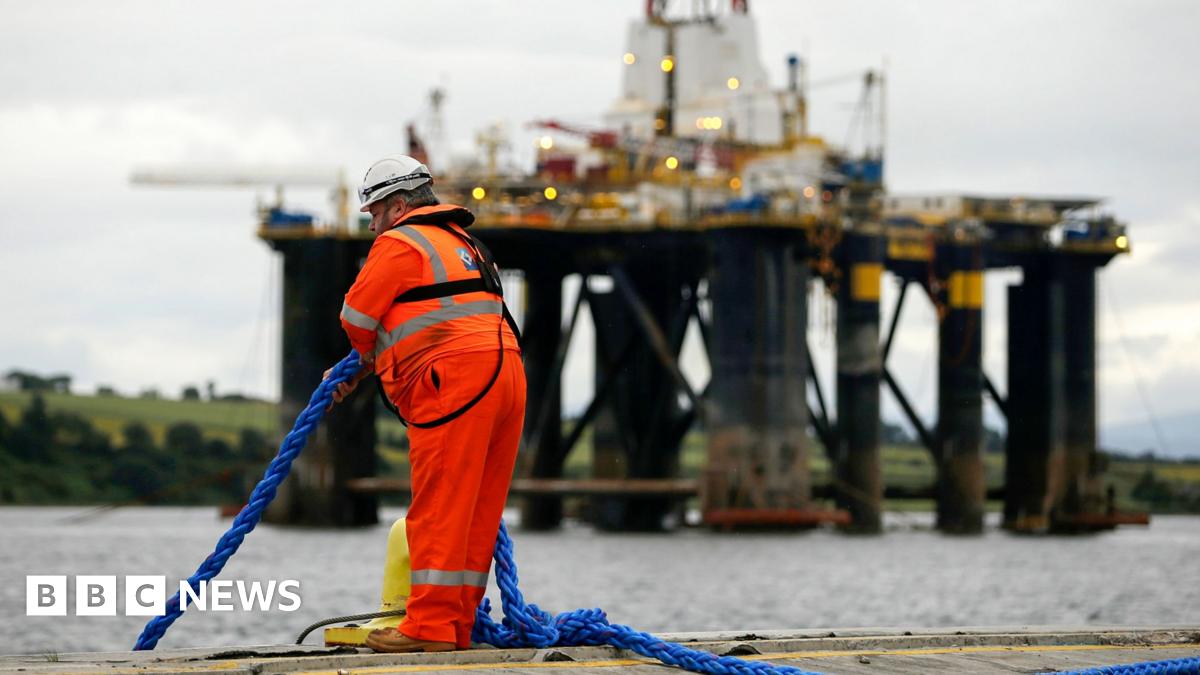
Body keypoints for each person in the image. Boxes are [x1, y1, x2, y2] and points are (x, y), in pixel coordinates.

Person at [326, 154, 525, 653]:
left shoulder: (399, 242)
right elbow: (439, 311)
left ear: (396, 205)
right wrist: (367, 364)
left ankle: (428, 628)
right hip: (507, 377)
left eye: (374, 213)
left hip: (454, 382)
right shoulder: (467, 245)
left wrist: (357, 361)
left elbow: (356, 317)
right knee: (476, 511)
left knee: (438, 508)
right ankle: (455, 625)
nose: (372, 226)